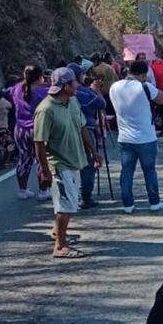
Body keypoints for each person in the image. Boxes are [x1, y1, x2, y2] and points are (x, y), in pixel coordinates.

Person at [33, 67, 102, 259]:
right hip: (59, 163)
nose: (78, 85)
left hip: (75, 160)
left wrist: (93, 152)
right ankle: (60, 246)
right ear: (65, 86)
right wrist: (45, 171)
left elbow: (81, 128)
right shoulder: (45, 110)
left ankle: (58, 232)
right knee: (66, 205)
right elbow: (39, 142)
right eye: (74, 82)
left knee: (69, 203)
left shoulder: (72, 102)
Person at [110, 60, 163, 214]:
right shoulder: (145, 86)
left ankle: (128, 204)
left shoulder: (114, 87)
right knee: (149, 170)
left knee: (127, 171)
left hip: (124, 137)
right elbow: (162, 98)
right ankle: (154, 202)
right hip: (146, 137)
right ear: (143, 75)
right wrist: (148, 84)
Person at [66, 64, 106, 210]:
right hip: (86, 129)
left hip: (66, 131)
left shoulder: (62, 92)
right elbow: (101, 104)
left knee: (69, 164)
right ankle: (86, 197)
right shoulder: (84, 92)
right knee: (89, 163)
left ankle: (70, 195)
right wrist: (96, 90)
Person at [11, 65, 51, 200]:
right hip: (37, 128)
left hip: (20, 129)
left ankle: (22, 190)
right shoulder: (43, 92)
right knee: (42, 159)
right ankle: (43, 190)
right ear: (40, 77)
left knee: (24, 159)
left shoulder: (17, 89)